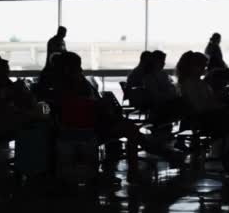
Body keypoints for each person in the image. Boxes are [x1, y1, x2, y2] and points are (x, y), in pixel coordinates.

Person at [57, 52, 184, 182]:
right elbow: (80, 107)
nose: (81, 69)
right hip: (89, 125)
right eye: (78, 66)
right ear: (69, 69)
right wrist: (99, 105)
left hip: (92, 123)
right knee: (131, 130)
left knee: (131, 129)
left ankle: (158, 157)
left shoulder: (68, 85)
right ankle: (156, 158)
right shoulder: (72, 86)